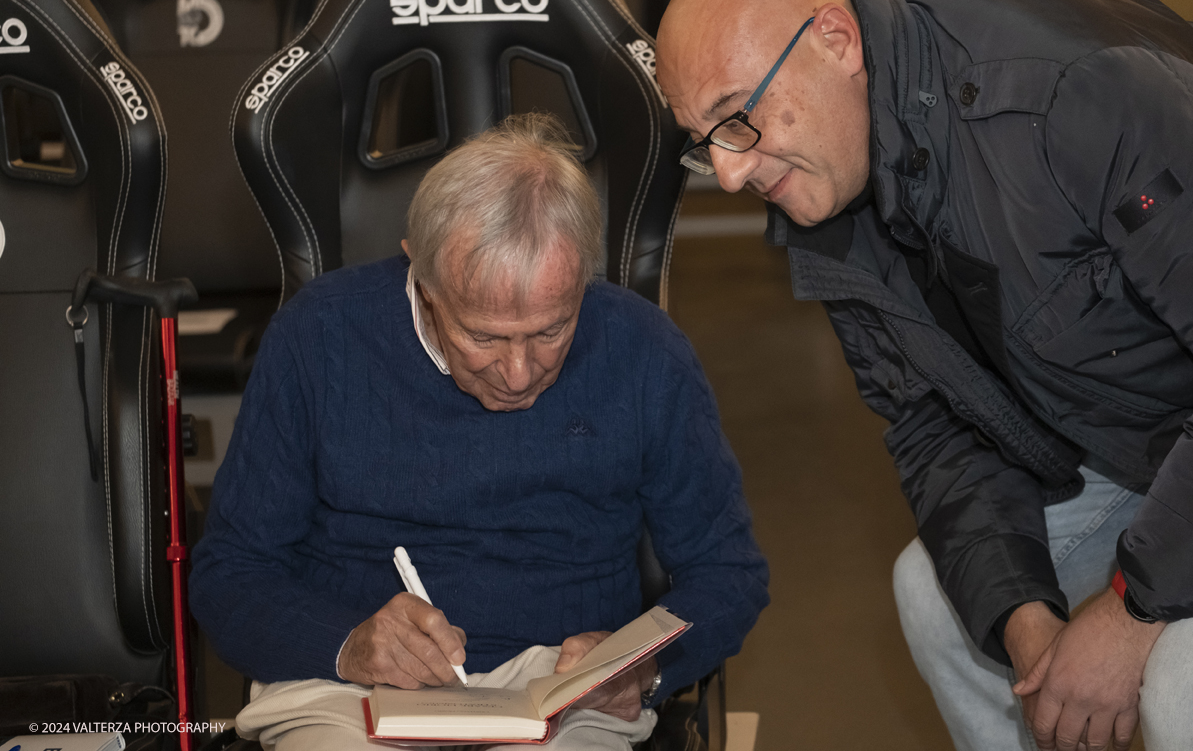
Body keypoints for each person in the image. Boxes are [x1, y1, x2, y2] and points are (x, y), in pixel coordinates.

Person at [655, 0, 1193, 750]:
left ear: (835, 39)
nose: (731, 174)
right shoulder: (831, 197)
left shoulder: (1067, 102)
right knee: (937, 597)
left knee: (1181, 685)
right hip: (1155, 444)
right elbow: (933, 426)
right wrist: (1030, 628)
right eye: (706, 141)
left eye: (740, 118)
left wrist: (1132, 611)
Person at [189, 114, 769, 751]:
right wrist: (346, 644)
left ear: (582, 280)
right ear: (424, 280)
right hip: (351, 692)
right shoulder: (319, 340)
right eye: (484, 336)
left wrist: (646, 667)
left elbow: (728, 573)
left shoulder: (644, 352)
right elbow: (230, 575)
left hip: (563, 691)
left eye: (551, 330)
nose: (519, 374)